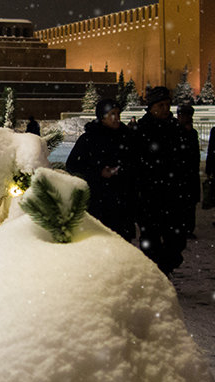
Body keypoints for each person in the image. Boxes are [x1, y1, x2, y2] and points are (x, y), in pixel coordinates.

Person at [134, 87, 199, 272]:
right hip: (150, 195)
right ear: (151, 106)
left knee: (176, 240)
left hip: (173, 194)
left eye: (167, 105)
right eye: (160, 105)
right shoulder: (142, 130)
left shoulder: (177, 130)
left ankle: (164, 267)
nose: (165, 108)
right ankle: (157, 271)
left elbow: (186, 160)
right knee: (150, 239)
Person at [66, 98, 136, 241]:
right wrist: (98, 172)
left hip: (123, 199)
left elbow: (136, 161)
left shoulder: (126, 136)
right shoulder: (89, 139)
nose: (116, 118)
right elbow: (73, 164)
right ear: (102, 117)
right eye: (112, 114)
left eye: (118, 114)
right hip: (100, 200)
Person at [176, 103, 201, 241]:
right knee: (185, 204)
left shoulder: (190, 133)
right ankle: (184, 227)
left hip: (187, 173)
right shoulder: (184, 132)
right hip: (184, 173)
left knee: (188, 204)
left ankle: (186, 228)